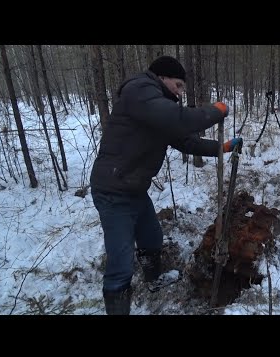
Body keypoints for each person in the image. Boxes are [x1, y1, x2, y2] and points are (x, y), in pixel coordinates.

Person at [90, 55, 242, 315]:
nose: (181, 93)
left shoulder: (157, 108)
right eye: (178, 85)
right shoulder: (140, 91)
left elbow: (186, 141)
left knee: (151, 238)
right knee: (121, 261)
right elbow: (179, 119)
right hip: (113, 189)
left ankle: (153, 280)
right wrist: (215, 112)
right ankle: (117, 305)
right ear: (161, 78)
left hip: (134, 188)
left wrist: (221, 147)